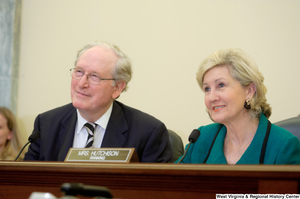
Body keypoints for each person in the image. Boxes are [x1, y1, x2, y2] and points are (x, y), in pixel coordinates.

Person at [24, 41, 172, 162]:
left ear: (117, 88)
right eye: (79, 72)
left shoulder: (148, 132)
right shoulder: (46, 125)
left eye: (94, 76)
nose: (82, 83)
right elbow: (26, 184)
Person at [176, 48, 300, 164]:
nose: (212, 97)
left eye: (221, 85)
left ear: (249, 91)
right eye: (207, 89)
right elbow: (171, 182)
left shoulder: (284, 145)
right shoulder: (201, 138)